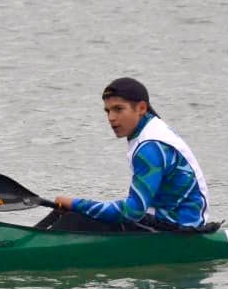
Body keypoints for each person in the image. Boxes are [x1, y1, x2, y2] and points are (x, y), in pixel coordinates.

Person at [50, 77, 213, 233]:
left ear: (141, 108)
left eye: (118, 109)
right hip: (167, 219)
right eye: (107, 111)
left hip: (180, 230)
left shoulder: (150, 147)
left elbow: (133, 211)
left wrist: (76, 204)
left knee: (75, 220)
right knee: (75, 216)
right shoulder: (151, 127)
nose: (111, 118)